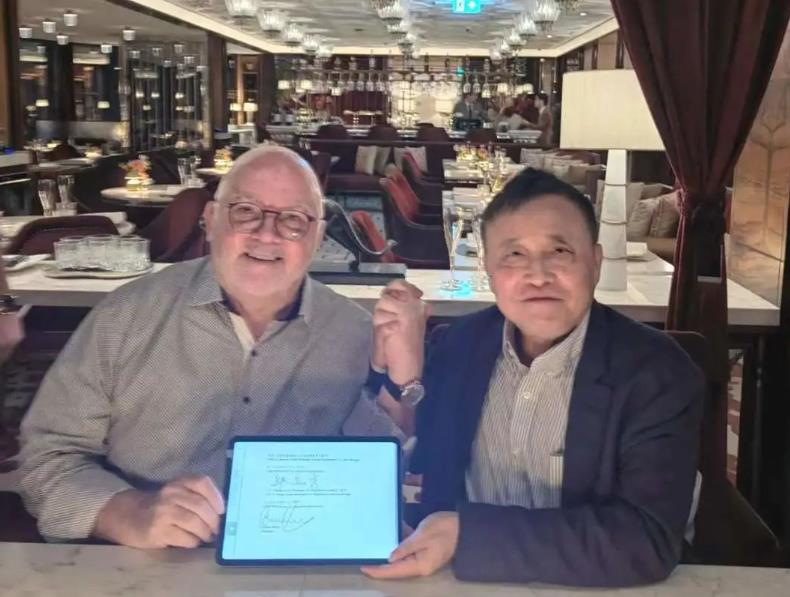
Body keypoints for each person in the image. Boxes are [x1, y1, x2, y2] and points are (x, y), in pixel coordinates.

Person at [19, 145, 400, 548]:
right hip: (141, 568)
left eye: (293, 219)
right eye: (246, 211)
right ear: (211, 220)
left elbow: (385, 472)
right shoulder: (125, 318)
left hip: (297, 565)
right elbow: (46, 459)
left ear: (317, 237)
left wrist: (401, 381)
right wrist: (129, 512)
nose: (266, 233)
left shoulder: (355, 333)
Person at [362, 168, 703, 586]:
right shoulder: (459, 347)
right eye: (514, 255)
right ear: (488, 270)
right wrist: (404, 376)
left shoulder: (655, 372)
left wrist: (469, 537)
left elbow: (646, 541)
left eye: (560, 251)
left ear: (595, 263)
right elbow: (420, 467)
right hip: (459, 585)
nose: (538, 275)